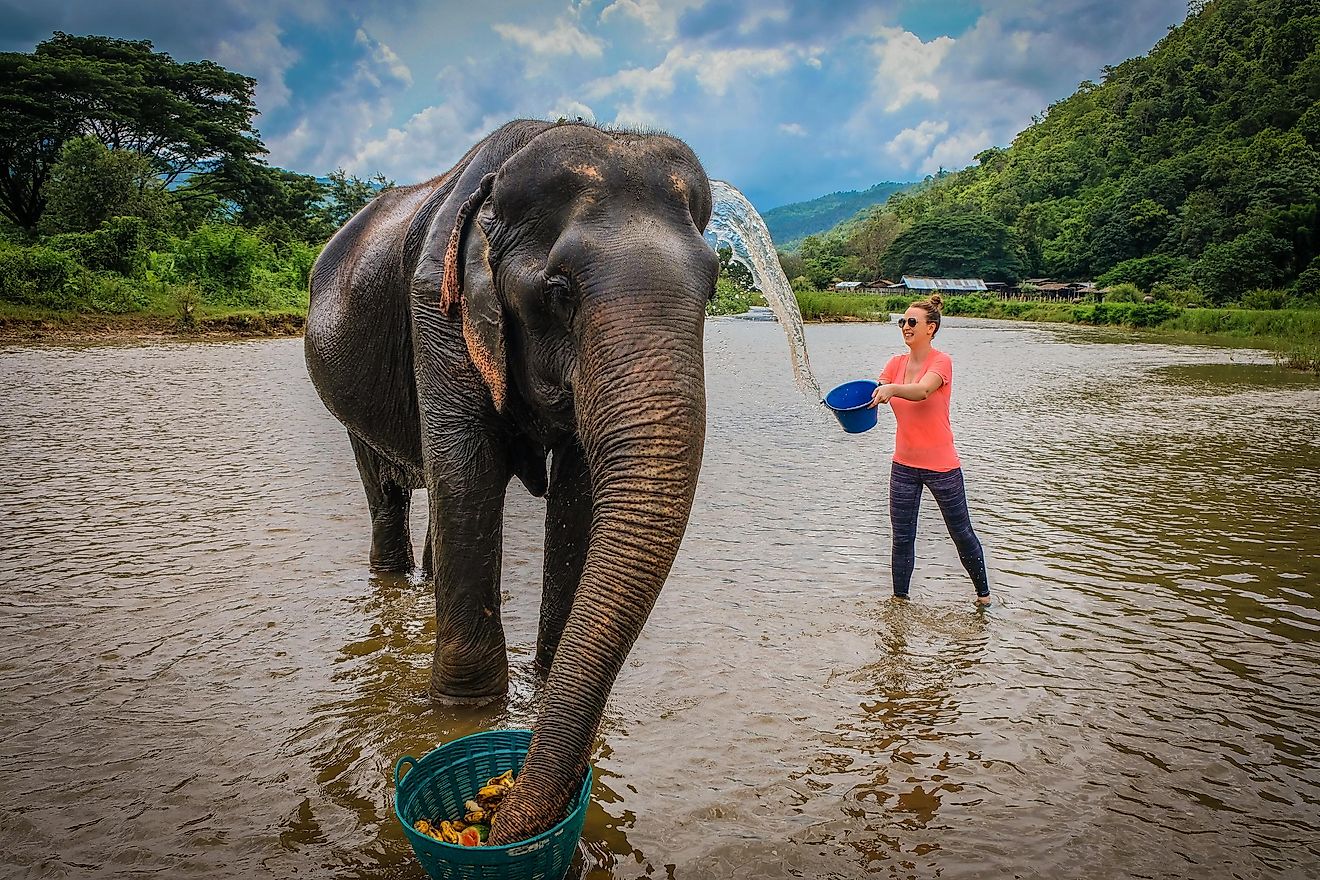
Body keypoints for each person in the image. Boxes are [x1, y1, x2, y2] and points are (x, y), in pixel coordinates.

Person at [868, 293, 992, 605]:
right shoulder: (895, 363)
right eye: (902, 322)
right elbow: (873, 390)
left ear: (931, 328)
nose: (905, 327)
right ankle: (899, 604)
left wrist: (892, 389)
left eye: (912, 322)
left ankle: (984, 596)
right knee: (902, 538)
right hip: (903, 466)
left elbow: (923, 391)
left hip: (942, 467)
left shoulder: (942, 362)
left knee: (961, 533)